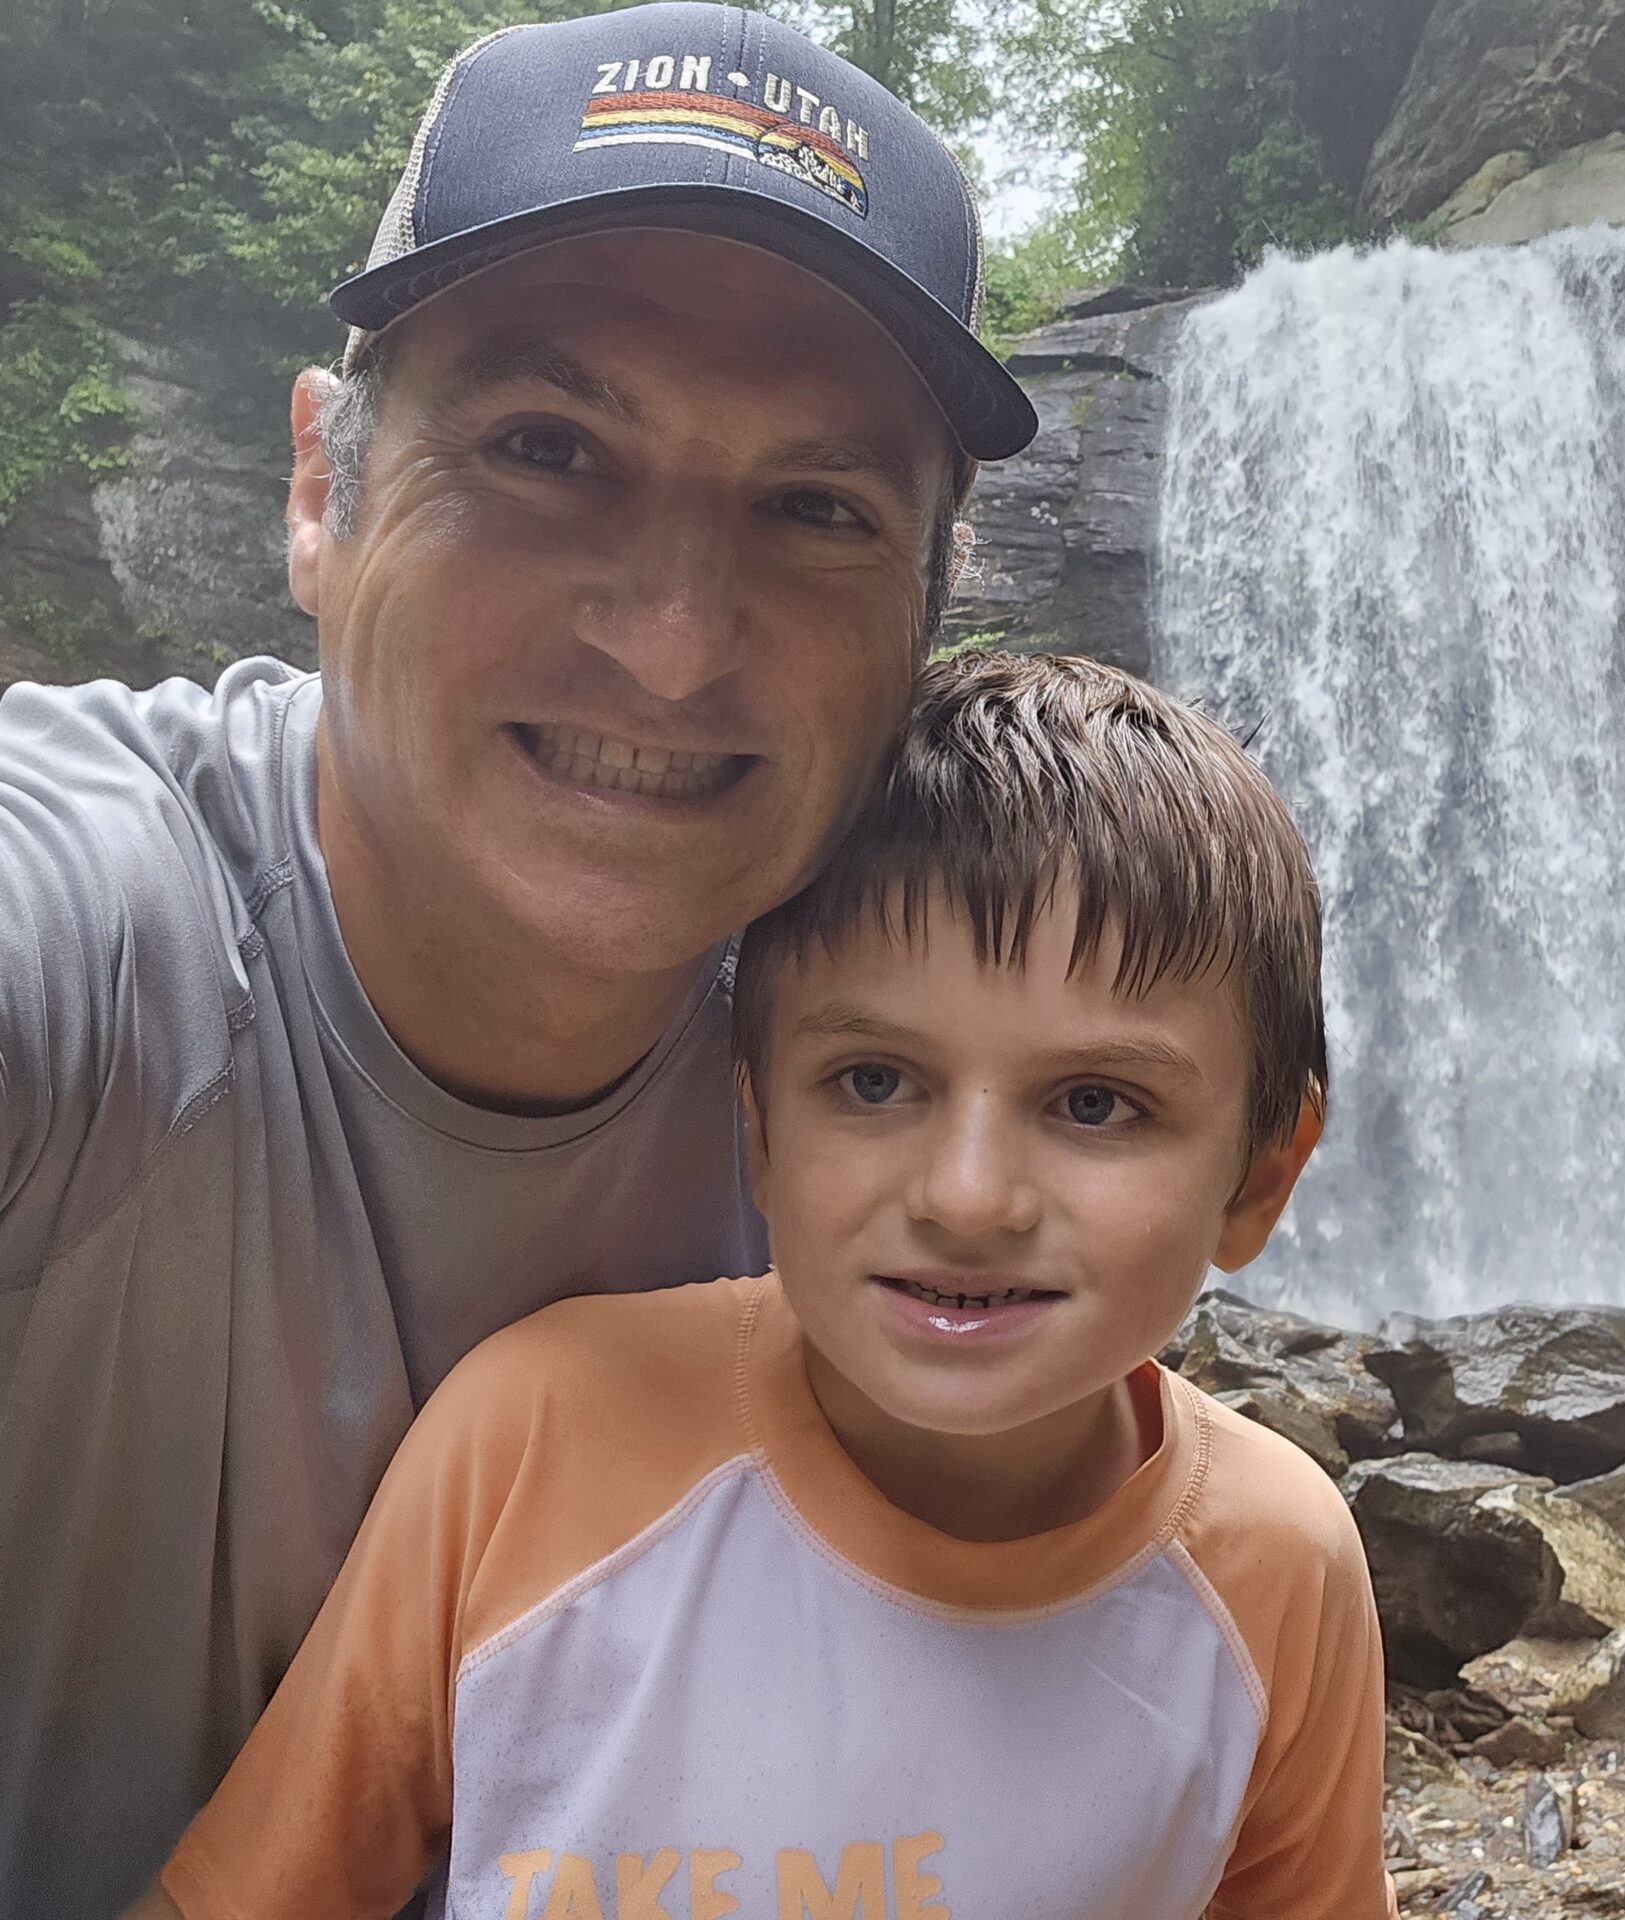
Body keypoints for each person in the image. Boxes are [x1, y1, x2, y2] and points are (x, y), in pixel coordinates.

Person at [0, 7, 1040, 1914]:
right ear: (324, 489)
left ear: (928, 615)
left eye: (817, 509)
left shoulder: (951, 1102)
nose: (669, 638)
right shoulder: (91, 922)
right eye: (546, 445)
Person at [130, 650, 1393, 1920]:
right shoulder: (537, 1437)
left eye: (1094, 1103)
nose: (967, 1197)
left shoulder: (1276, 1571)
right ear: (758, 1129)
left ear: (1259, 1180)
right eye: (876, 1082)